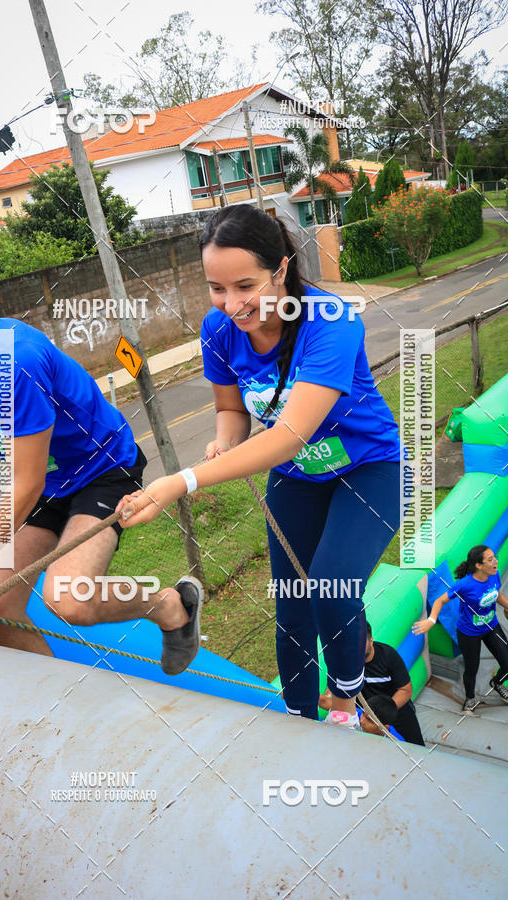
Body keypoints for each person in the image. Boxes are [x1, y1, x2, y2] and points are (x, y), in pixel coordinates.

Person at [117, 204, 402, 728]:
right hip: (297, 482)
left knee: (331, 583)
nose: (231, 304)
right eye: (216, 288)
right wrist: (225, 443)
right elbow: (231, 410)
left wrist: (179, 481)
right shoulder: (219, 330)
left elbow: (289, 437)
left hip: (366, 470)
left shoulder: (330, 323)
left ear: (283, 268)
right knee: (292, 603)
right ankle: (297, 717)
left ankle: (344, 702)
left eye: (245, 286)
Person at [0, 233, 202, 675]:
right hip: (43, 480)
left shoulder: (10, 358)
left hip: (101, 468)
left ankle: (171, 605)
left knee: (70, 601)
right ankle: (61, 705)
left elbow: (25, 486)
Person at [413, 545, 508, 712]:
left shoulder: (494, 575)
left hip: (491, 626)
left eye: (495, 557)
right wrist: (431, 619)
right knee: (472, 668)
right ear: (478, 565)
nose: (496, 562)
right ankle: (470, 698)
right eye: (490, 559)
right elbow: (440, 601)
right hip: (469, 633)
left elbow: (497, 595)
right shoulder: (464, 585)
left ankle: (497, 683)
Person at [363, 621, 425, 745]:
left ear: (371, 640)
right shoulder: (347, 659)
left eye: (361, 642)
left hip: (395, 708)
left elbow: (406, 690)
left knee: (415, 748)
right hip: (366, 713)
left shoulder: (387, 656)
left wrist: (382, 714)